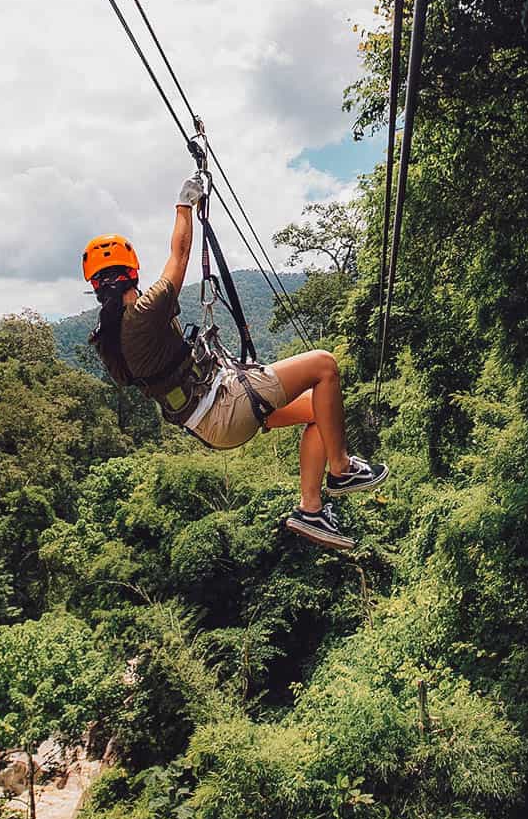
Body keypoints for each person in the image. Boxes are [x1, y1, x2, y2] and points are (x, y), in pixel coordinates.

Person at [82, 175, 388, 549]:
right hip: (224, 406)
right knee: (324, 366)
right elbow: (178, 257)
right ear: (133, 272)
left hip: (209, 420)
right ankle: (341, 470)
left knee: (317, 415)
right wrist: (184, 204)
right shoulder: (143, 314)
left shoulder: (110, 338)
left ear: (96, 287)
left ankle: (311, 510)